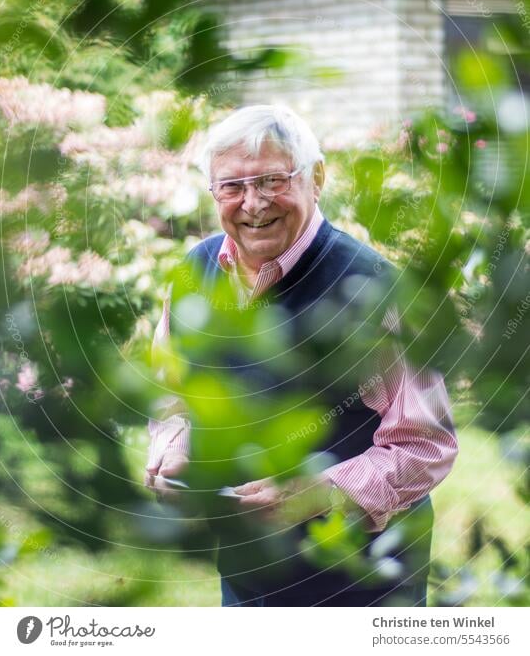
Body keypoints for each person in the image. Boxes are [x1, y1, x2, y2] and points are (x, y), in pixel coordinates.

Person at [145, 104, 458, 607]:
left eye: (271, 180)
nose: (252, 203)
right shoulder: (192, 274)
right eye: (231, 186)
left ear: (316, 178)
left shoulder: (375, 291)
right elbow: (169, 393)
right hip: (248, 575)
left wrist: (322, 492)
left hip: (362, 586)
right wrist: (173, 449)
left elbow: (426, 444)